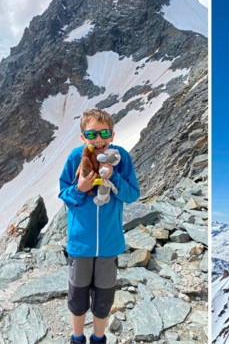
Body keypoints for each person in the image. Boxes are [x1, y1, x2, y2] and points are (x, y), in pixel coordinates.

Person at [59, 109, 140, 344]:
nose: (98, 140)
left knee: (104, 298)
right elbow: (64, 194)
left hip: (108, 244)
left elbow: (132, 194)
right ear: (83, 138)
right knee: (77, 297)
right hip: (80, 245)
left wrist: (113, 177)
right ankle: (77, 338)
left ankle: (98, 338)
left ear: (112, 135)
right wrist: (79, 188)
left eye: (104, 133)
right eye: (92, 134)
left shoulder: (121, 157)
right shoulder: (76, 157)